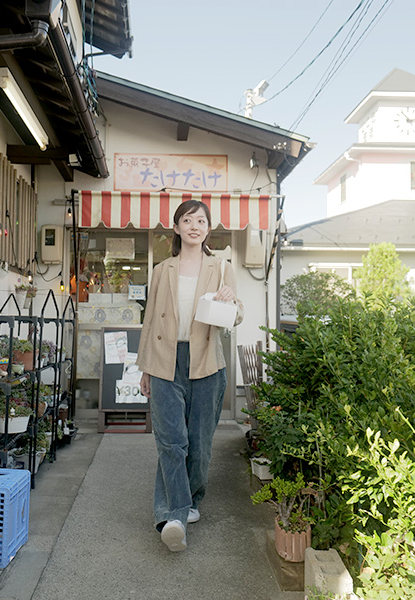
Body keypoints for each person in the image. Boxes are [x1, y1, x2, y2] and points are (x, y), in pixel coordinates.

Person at [137, 200, 244, 552]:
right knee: (171, 442)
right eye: (188, 219)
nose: (195, 225)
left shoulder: (222, 267)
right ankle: (175, 516)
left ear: (208, 229)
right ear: (178, 227)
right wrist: (145, 368)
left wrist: (230, 301)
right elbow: (150, 318)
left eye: (201, 220)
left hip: (206, 363)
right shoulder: (162, 269)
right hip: (165, 359)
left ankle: (191, 500)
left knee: (199, 445)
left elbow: (238, 315)